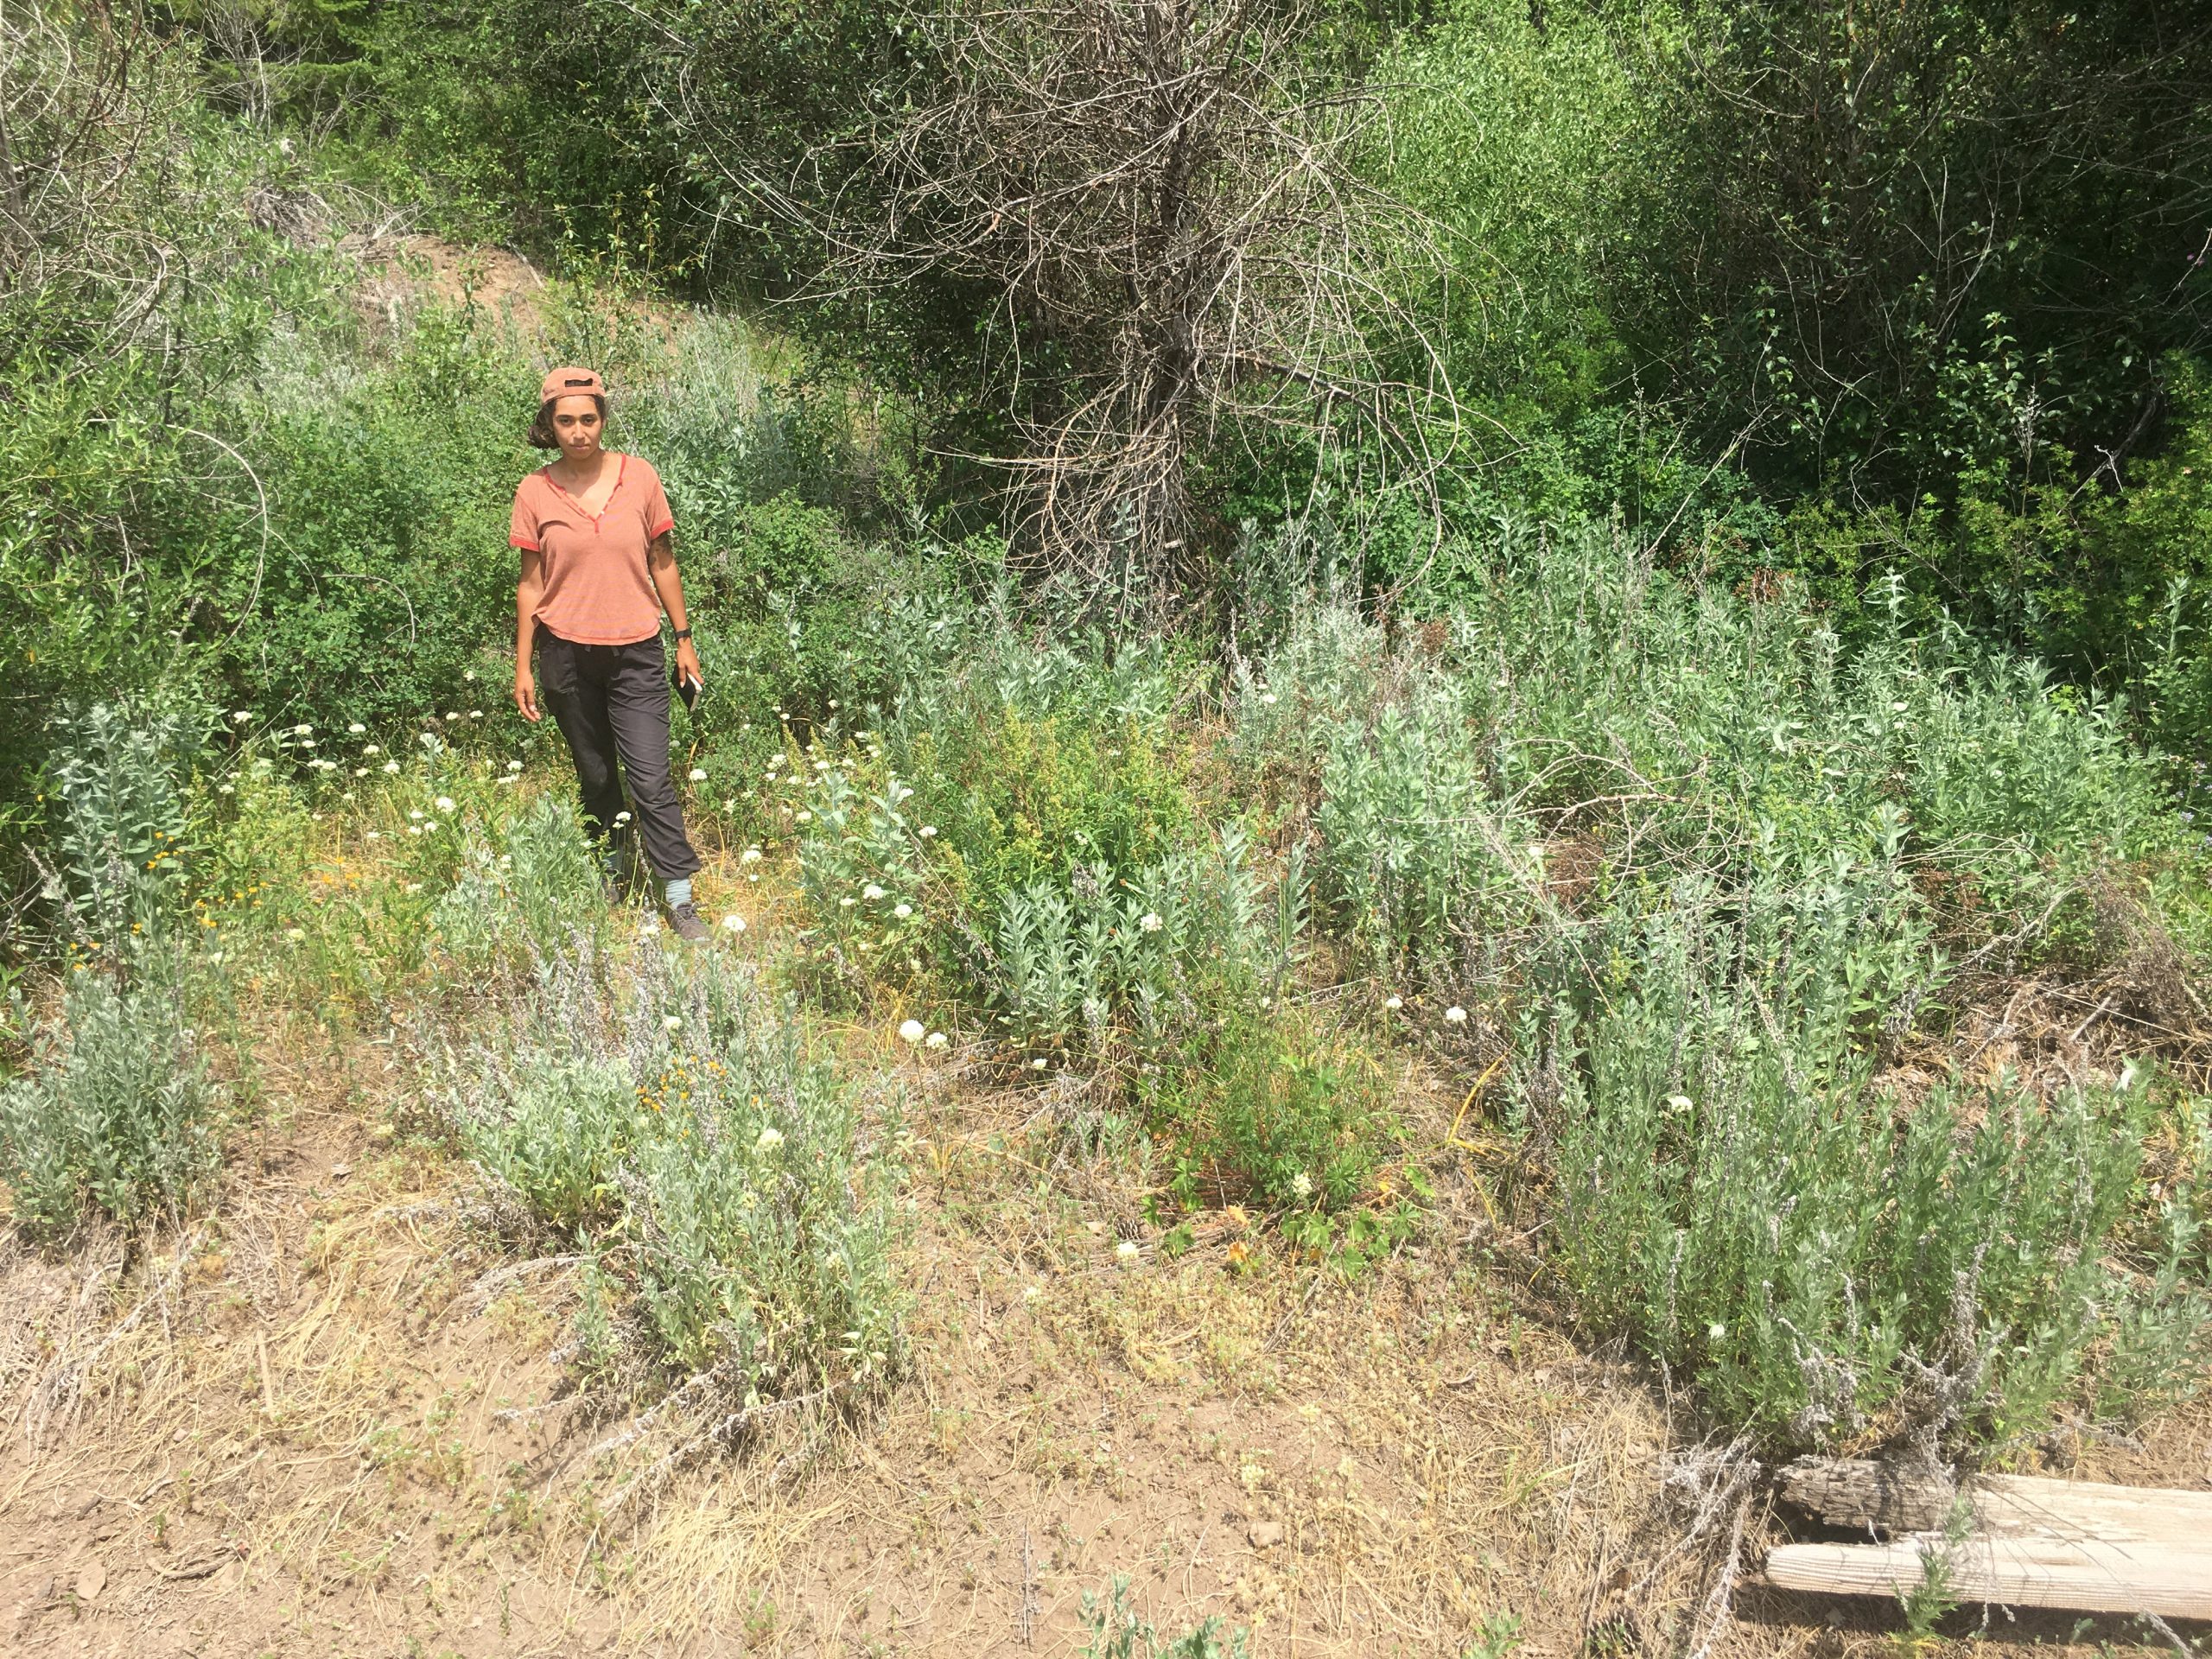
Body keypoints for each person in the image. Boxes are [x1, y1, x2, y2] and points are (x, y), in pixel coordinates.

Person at [510, 365, 713, 941]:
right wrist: (523, 665)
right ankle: (614, 871)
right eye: (566, 421)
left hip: (637, 654)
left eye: (589, 419)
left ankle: (678, 898)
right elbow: (529, 584)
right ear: (550, 425)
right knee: (596, 775)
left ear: (603, 420)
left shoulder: (640, 478)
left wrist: (684, 640)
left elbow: (663, 562)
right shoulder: (534, 490)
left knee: (650, 779)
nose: (579, 431)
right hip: (565, 657)